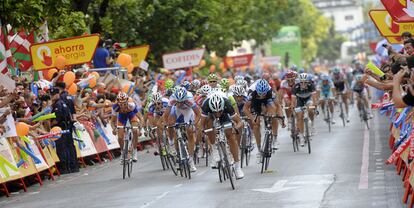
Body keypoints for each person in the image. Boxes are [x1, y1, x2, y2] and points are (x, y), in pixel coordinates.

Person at [200, 93, 244, 179]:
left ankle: (237, 166)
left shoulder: (227, 104)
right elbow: (202, 125)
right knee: (208, 124)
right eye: (215, 112)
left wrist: (235, 128)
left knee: (231, 136)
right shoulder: (206, 105)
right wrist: (202, 132)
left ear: (223, 107)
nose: (217, 114)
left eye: (219, 111)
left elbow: (240, 122)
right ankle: (214, 148)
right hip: (210, 115)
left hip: (225, 116)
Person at [163, 87, 200, 172]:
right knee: (171, 123)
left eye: (181, 101)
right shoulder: (172, 99)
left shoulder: (190, 99)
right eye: (178, 102)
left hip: (188, 111)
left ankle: (191, 160)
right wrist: (166, 124)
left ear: (185, 99)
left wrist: (194, 124)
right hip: (176, 110)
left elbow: (198, 114)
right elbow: (165, 115)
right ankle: (172, 144)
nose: (179, 103)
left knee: (190, 132)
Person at [243, 79, 285, 155]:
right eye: (260, 94)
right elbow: (245, 109)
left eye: (263, 94)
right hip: (255, 102)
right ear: (257, 91)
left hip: (267, 100)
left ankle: (275, 139)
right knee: (256, 124)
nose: (262, 96)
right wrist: (252, 118)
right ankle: (259, 149)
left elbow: (278, 106)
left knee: (273, 115)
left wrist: (281, 118)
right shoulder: (252, 92)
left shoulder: (269, 91)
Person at [51, 88, 78, 174]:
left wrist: (50, 126)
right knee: (69, 146)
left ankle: (65, 167)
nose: (51, 97)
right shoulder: (63, 102)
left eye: (52, 94)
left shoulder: (58, 104)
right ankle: (73, 166)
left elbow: (56, 119)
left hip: (60, 128)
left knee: (62, 148)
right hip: (67, 126)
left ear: (57, 94)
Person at [110, 92, 142, 162]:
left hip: (131, 115)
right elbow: (112, 121)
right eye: (120, 104)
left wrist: (140, 127)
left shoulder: (131, 105)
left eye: (124, 103)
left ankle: (134, 150)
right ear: (117, 102)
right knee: (120, 137)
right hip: (122, 117)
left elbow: (140, 117)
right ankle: (123, 152)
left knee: (135, 131)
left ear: (127, 101)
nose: (122, 105)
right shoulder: (115, 107)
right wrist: (114, 129)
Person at [291, 73, 317, 146]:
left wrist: (315, 104)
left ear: (308, 82)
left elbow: (314, 97)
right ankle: (302, 136)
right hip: (300, 100)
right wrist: (293, 106)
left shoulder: (311, 85)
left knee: (310, 109)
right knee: (299, 117)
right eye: (301, 82)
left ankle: (312, 123)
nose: (303, 83)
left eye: (305, 82)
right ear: (299, 82)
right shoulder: (295, 87)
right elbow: (293, 100)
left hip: (308, 99)